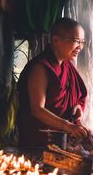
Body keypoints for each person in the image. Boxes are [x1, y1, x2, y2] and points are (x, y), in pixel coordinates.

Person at [17, 17, 89, 148]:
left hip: (62, 140)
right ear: (56, 40)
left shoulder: (67, 66)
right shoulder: (40, 68)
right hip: (38, 141)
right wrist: (67, 126)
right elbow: (37, 109)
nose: (80, 47)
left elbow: (76, 98)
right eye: (75, 41)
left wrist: (77, 108)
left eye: (82, 42)